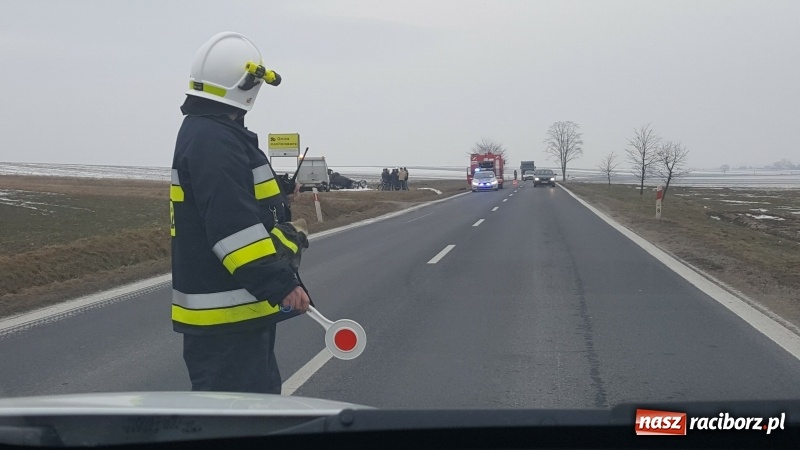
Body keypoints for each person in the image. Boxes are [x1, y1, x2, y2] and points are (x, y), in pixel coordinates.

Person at [170, 32, 310, 394]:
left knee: (246, 414)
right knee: (242, 418)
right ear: (247, 85)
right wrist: (280, 283)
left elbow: (239, 203)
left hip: (234, 314)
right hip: (227, 318)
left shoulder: (213, 133)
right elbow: (233, 229)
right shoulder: (214, 140)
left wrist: (280, 201)